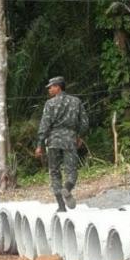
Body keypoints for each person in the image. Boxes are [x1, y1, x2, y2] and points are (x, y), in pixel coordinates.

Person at [35, 76, 88, 212]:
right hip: (70, 140)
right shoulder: (76, 101)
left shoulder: (50, 104)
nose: (49, 90)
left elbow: (44, 125)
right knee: (72, 171)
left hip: (53, 141)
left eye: (51, 87)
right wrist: (79, 136)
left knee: (54, 172)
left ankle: (61, 206)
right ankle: (67, 188)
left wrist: (40, 144)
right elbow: (84, 122)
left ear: (58, 87)